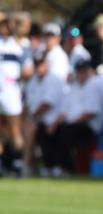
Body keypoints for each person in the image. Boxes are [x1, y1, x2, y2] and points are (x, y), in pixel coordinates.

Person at [23, 53, 65, 176]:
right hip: (37, 119)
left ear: (46, 64)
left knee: (29, 129)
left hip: (52, 120)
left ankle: (26, 164)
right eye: (36, 64)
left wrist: (30, 117)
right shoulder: (32, 81)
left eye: (40, 64)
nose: (38, 67)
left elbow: (47, 104)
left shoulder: (54, 79)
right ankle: (24, 163)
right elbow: (27, 103)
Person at [0, 17, 31, 175]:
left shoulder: (19, 46)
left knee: (14, 130)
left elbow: (27, 71)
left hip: (11, 92)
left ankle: (18, 162)